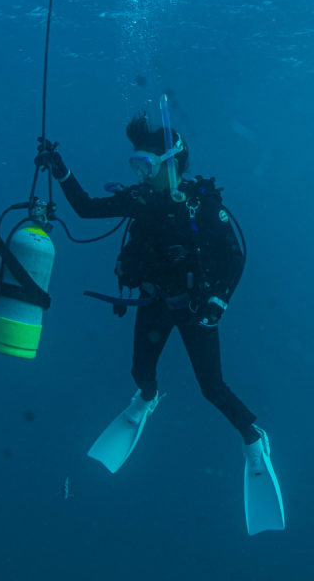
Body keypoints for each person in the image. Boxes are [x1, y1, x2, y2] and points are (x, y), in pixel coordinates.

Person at [35, 97, 284, 534]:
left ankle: (253, 441)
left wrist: (218, 302)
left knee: (212, 387)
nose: (139, 174)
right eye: (135, 165)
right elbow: (87, 208)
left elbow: (235, 256)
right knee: (139, 371)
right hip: (152, 302)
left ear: (171, 162)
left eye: (146, 165)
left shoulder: (201, 206)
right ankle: (146, 401)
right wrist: (59, 168)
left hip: (194, 309)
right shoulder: (140, 202)